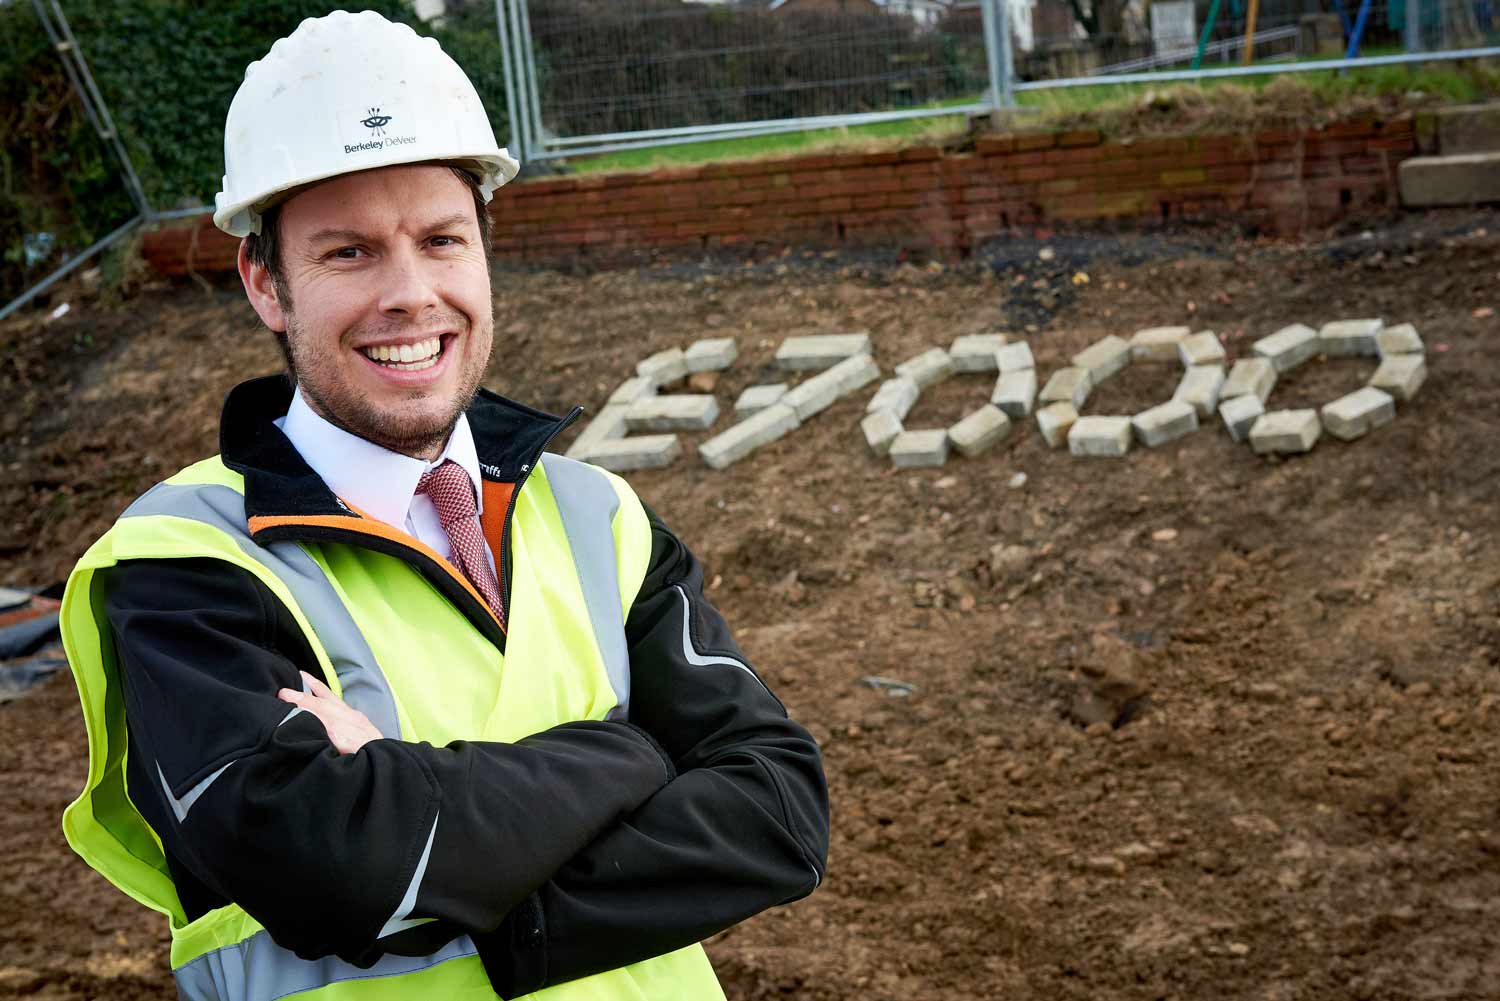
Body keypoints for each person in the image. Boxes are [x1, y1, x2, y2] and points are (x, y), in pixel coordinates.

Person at [56, 11, 829, 1000]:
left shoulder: (598, 518)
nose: (412, 293)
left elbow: (780, 813)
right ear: (265, 282)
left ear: (484, 251)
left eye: (441, 239)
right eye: (349, 253)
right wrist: (633, 750)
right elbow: (336, 864)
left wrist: (454, 846)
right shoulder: (185, 564)